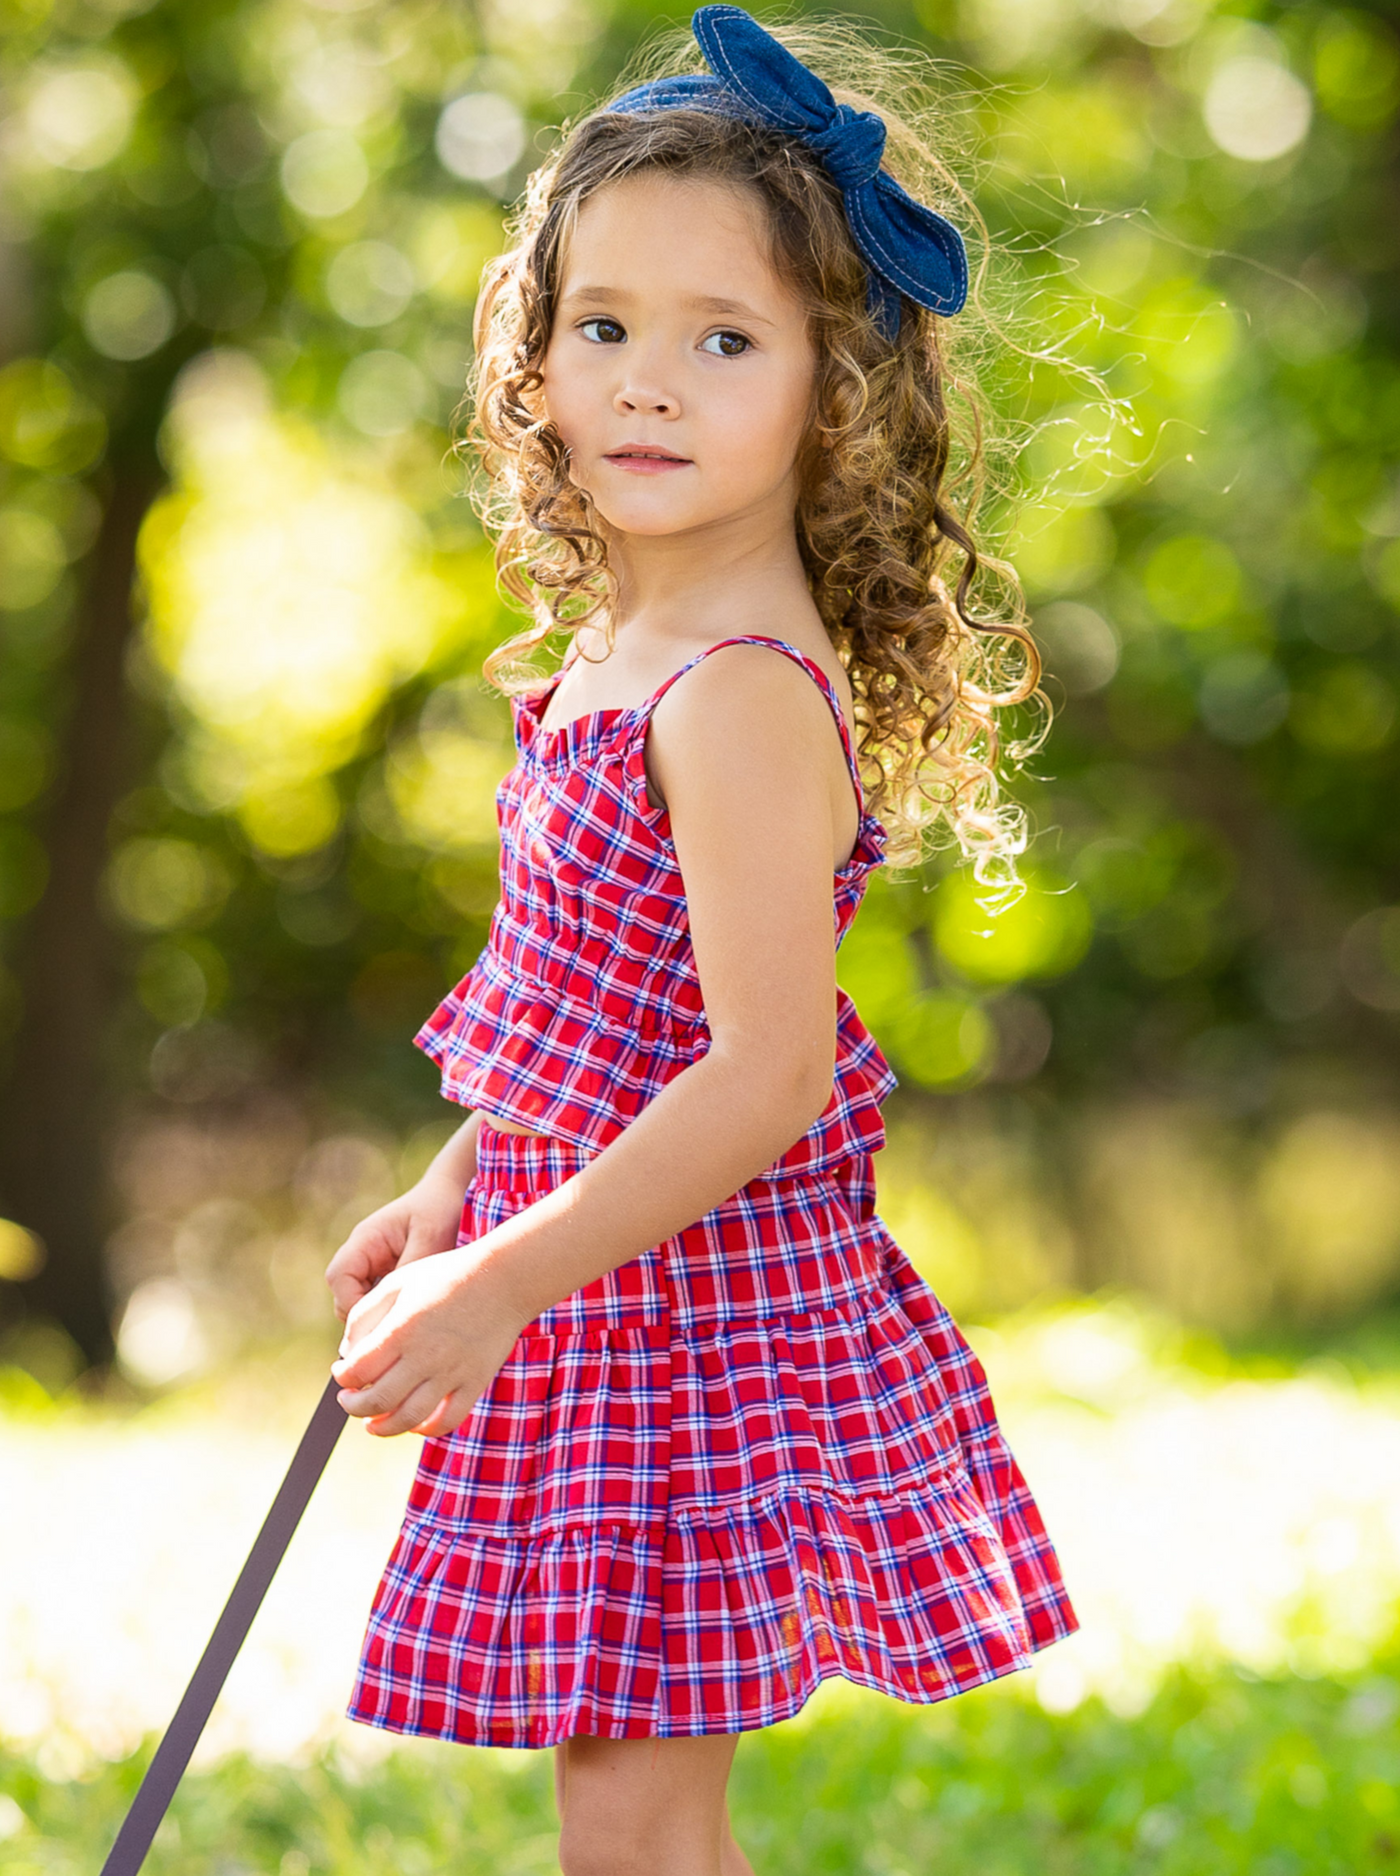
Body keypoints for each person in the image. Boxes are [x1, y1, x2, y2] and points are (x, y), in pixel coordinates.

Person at [326, 9, 1077, 1871]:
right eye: (606, 327)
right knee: (638, 1835)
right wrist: (460, 1189)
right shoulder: (619, 655)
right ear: (537, 359)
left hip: (678, 1329)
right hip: (597, 1281)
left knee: (636, 1839)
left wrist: (506, 1283)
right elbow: (590, 1016)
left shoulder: (737, 695)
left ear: (839, 389)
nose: (649, 384)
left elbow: (765, 1071)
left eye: (723, 340)